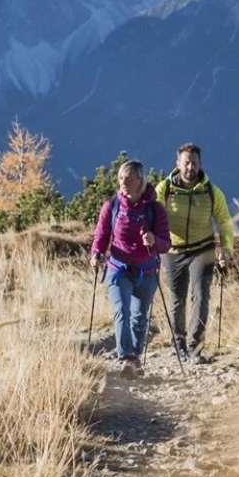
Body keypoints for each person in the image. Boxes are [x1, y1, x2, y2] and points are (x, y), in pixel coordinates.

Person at [156, 143, 235, 363]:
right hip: (173, 250)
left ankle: (195, 348)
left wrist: (226, 249)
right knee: (177, 298)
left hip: (203, 248)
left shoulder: (211, 191)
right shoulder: (165, 189)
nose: (190, 167)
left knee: (201, 295)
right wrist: (152, 239)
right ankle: (179, 344)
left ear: (200, 164)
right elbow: (153, 213)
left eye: (194, 163)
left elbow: (224, 222)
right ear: (177, 164)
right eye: (187, 162)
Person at [90, 159, 172, 374]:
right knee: (122, 311)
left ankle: (134, 358)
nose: (123, 182)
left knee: (139, 317)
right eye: (120, 178)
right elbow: (101, 235)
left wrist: (154, 240)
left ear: (140, 181)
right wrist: (96, 253)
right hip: (118, 269)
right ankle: (127, 358)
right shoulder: (112, 206)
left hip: (147, 271)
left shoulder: (155, 210)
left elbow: (166, 244)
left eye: (129, 178)